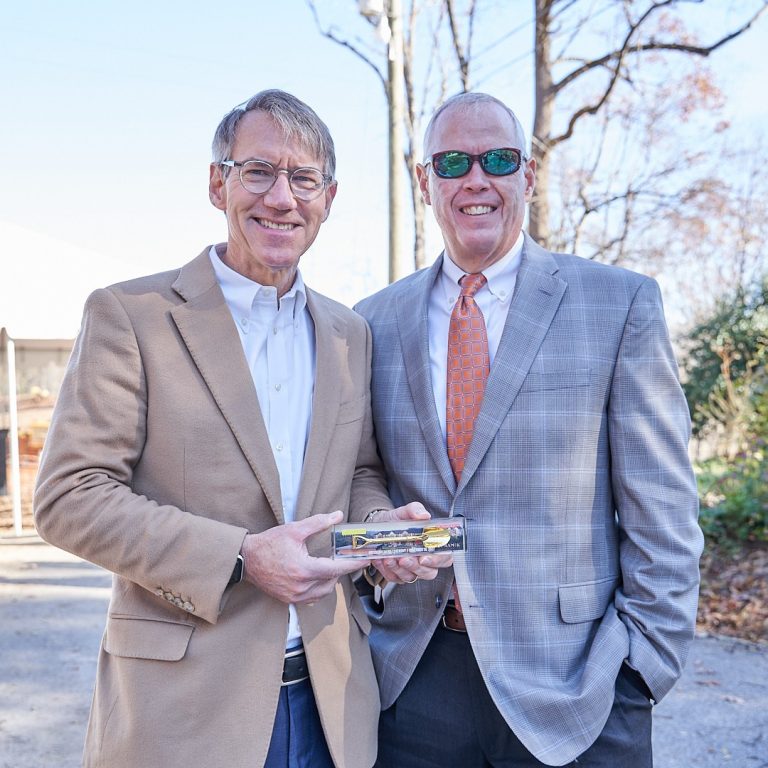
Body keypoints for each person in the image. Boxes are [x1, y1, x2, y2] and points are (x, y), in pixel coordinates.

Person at [33, 89, 439, 768]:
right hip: (184, 712)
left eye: (304, 178)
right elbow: (70, 497)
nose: (282, 197)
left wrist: (383, 532)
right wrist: (242, 557)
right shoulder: (132, 316)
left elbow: (358, 473)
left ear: (328, 200)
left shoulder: (349, 333)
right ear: (218, 184)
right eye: (259, 172)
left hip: (330, 704)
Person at [355, 92, 703, 767]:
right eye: (453, 161)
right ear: (426, 181)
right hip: (414, 684)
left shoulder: (619, 303)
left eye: (499, 159)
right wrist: (379, 539)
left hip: (580, 690)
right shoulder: (372, 321)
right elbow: (363, 470)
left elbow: (663, 510)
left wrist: (640, 670)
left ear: (529, 175)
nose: (476, 178)